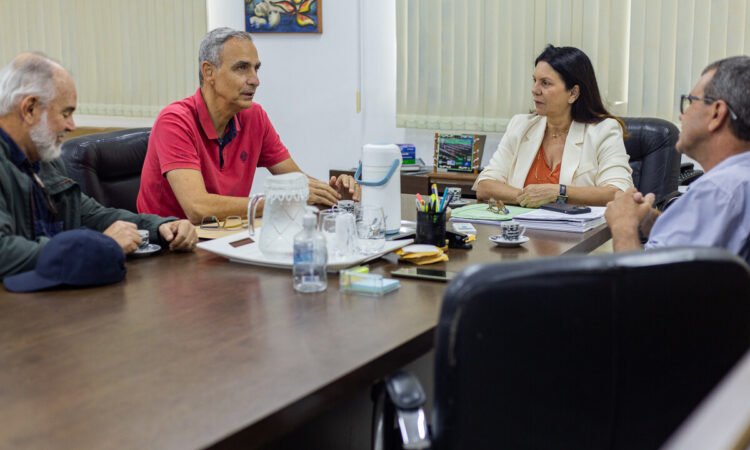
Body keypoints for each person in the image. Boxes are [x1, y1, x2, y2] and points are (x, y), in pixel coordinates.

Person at [0, 53, 197, 279]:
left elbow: (91, 215)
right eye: (66, 113)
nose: (72, 125)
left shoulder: (44, 159)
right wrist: (100, 246)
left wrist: (161, 228)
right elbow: (5, 252)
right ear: (30, 109)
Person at [137, 28, 360, 223]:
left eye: (256, 68)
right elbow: (198, 209)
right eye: (242, 68)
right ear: (209, 72)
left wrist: (333, 193)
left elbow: (297, 182)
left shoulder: (254, 116)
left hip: (226, 238)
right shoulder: (175, 120)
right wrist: (284, 198)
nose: (255, 80)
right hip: (171, 251)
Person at [605, 56, 750, 262]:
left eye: (690, 102)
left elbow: (642, 290)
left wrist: (623, 226)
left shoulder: (718, 191)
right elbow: (703, 249)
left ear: (717, 113)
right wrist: (653, 222)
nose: (682, 115)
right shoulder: (737, 182)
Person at [473, 45, 633, 208]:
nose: (534, 90)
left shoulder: (604, 131)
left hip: (576, 232)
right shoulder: (520, 125)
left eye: (546, 83)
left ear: (573, 93)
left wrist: (559, 193)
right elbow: (485, 186)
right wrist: (530, 197)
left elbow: (618, 192)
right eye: (534, 80)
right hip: (520, 230)